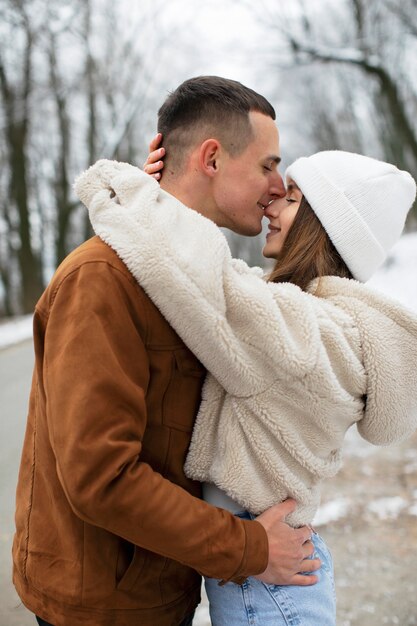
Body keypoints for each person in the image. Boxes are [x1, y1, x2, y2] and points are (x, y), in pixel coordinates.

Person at [12, 76, 321, 626]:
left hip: (160, 592)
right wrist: (251, 548)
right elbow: (101, 477)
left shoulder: (193, 279)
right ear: (210, 158)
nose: (277, 185)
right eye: (268, 165)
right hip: (102, 609)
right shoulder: (102, 279)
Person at [76, 148, 417, 626]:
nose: (273, 205)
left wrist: (126, 191)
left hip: (270, 586)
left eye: (294, 198)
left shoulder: (305, 334)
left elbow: (196, 279)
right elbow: (223, 279)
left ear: (325, 227)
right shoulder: (310, 319)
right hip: (269, 570)